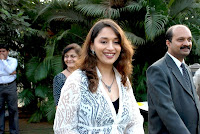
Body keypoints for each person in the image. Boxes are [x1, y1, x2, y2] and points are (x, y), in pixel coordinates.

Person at [53, 19, 144, 134]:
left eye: (116, 42)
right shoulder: (77, 81)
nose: (111, 48)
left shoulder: (123, 80)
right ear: (92, 45)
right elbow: (63, 129)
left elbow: (135, 122)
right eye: (104, 42)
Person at [146, 24, 200, 134]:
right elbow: (167, 112)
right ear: (168, 43)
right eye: (181, 40)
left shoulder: (185, 68)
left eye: (189, 39)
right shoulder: (157, 70)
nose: (186, 43)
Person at [53, 43, 81, 107]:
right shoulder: (60, 78)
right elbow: (58, 104)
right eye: (66, 56)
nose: (69, 59)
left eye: (72, 56)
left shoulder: (86, 75)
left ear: (80, 57)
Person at [0, 44, 19, 134]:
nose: (1, 53)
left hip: (11, 86)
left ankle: (14, 131)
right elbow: (10, 71)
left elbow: (11, 70)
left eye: (3, 51)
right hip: (0, 86)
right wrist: (8, 72)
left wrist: (3, 61)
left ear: (8, 52)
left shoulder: (13, 60)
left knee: (13, 109)